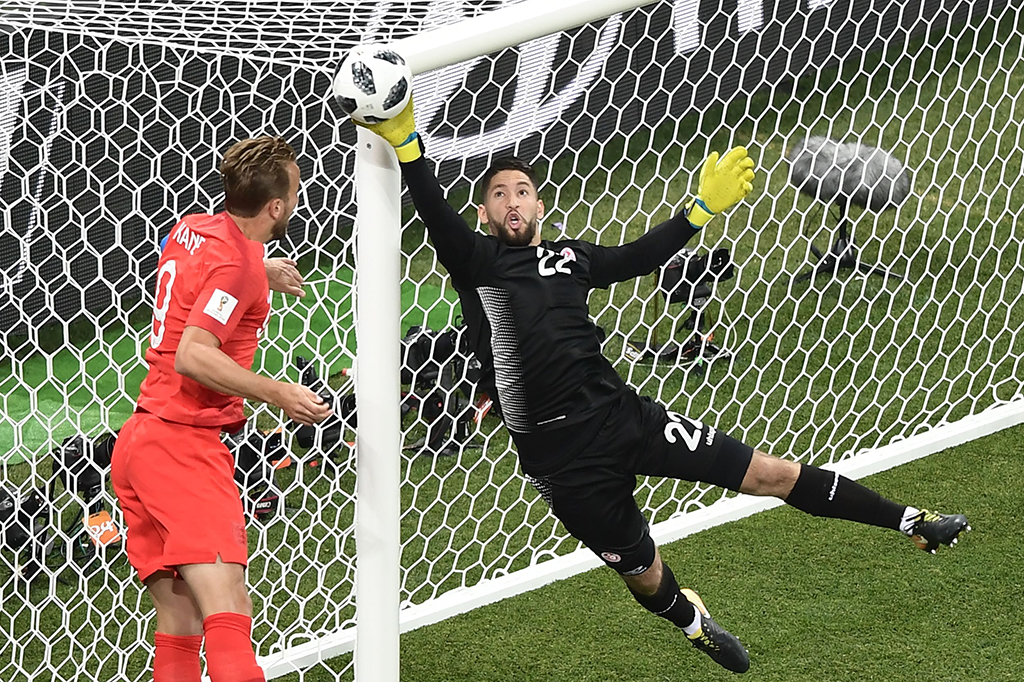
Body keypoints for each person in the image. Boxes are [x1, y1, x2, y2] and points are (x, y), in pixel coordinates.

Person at [353, 101, 972, 673]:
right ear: (486, 214)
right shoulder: (476, 263)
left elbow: (640, 256)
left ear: (539, 206)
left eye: (523, 190)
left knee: (771, 474)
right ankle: (693, 622)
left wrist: (698, 211)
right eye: (498, 194)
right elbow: (432, 208)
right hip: (564, 464)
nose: (512, 200)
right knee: (645, 576)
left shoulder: (571, 258)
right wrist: (408, 146)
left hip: (628, 419)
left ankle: (911, 521)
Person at [111, 136, 333, 682]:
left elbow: (215, 266)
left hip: (139, 442)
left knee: (180, 625)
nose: (299, 196)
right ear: (276, 206)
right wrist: (277, 391)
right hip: (181, 446)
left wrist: (263, 267)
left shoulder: (192, 227)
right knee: (229, 612)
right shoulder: (236, 266)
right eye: (295, 189)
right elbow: (192, 353)